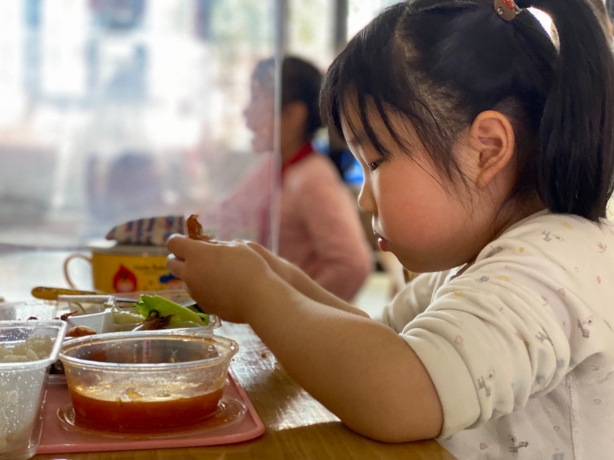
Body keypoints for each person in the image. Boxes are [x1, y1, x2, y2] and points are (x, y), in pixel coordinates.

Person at [166, 0, 614, 458]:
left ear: (487, 150)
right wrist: (277, 276)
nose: (364, 197)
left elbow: (400, 391)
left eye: (375, 161)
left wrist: (258, 295)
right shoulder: (481, 262)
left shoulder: (549, 266)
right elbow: (381, 346)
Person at [209, 56, 373, 301]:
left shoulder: (313, 177)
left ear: (293, 115)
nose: (246, 112)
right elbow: (227, 215)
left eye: (257, 99)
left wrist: (296, 309)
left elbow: (353, 265)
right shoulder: (272, 167)